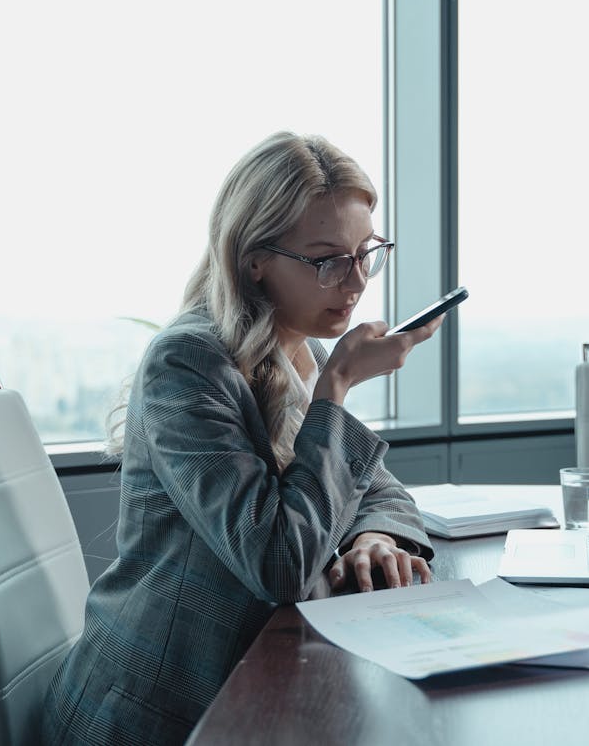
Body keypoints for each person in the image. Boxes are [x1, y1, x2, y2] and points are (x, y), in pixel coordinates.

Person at [42, 131, 440, 744]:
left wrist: (375, 537)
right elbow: (278, 564)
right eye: (327, 259)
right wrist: (337, 386)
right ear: (254, 257)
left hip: (257, 682)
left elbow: (379, 491)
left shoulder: (297, 348)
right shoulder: (188, 363)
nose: (356, 282)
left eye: (369, 252)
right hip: (160, 708)